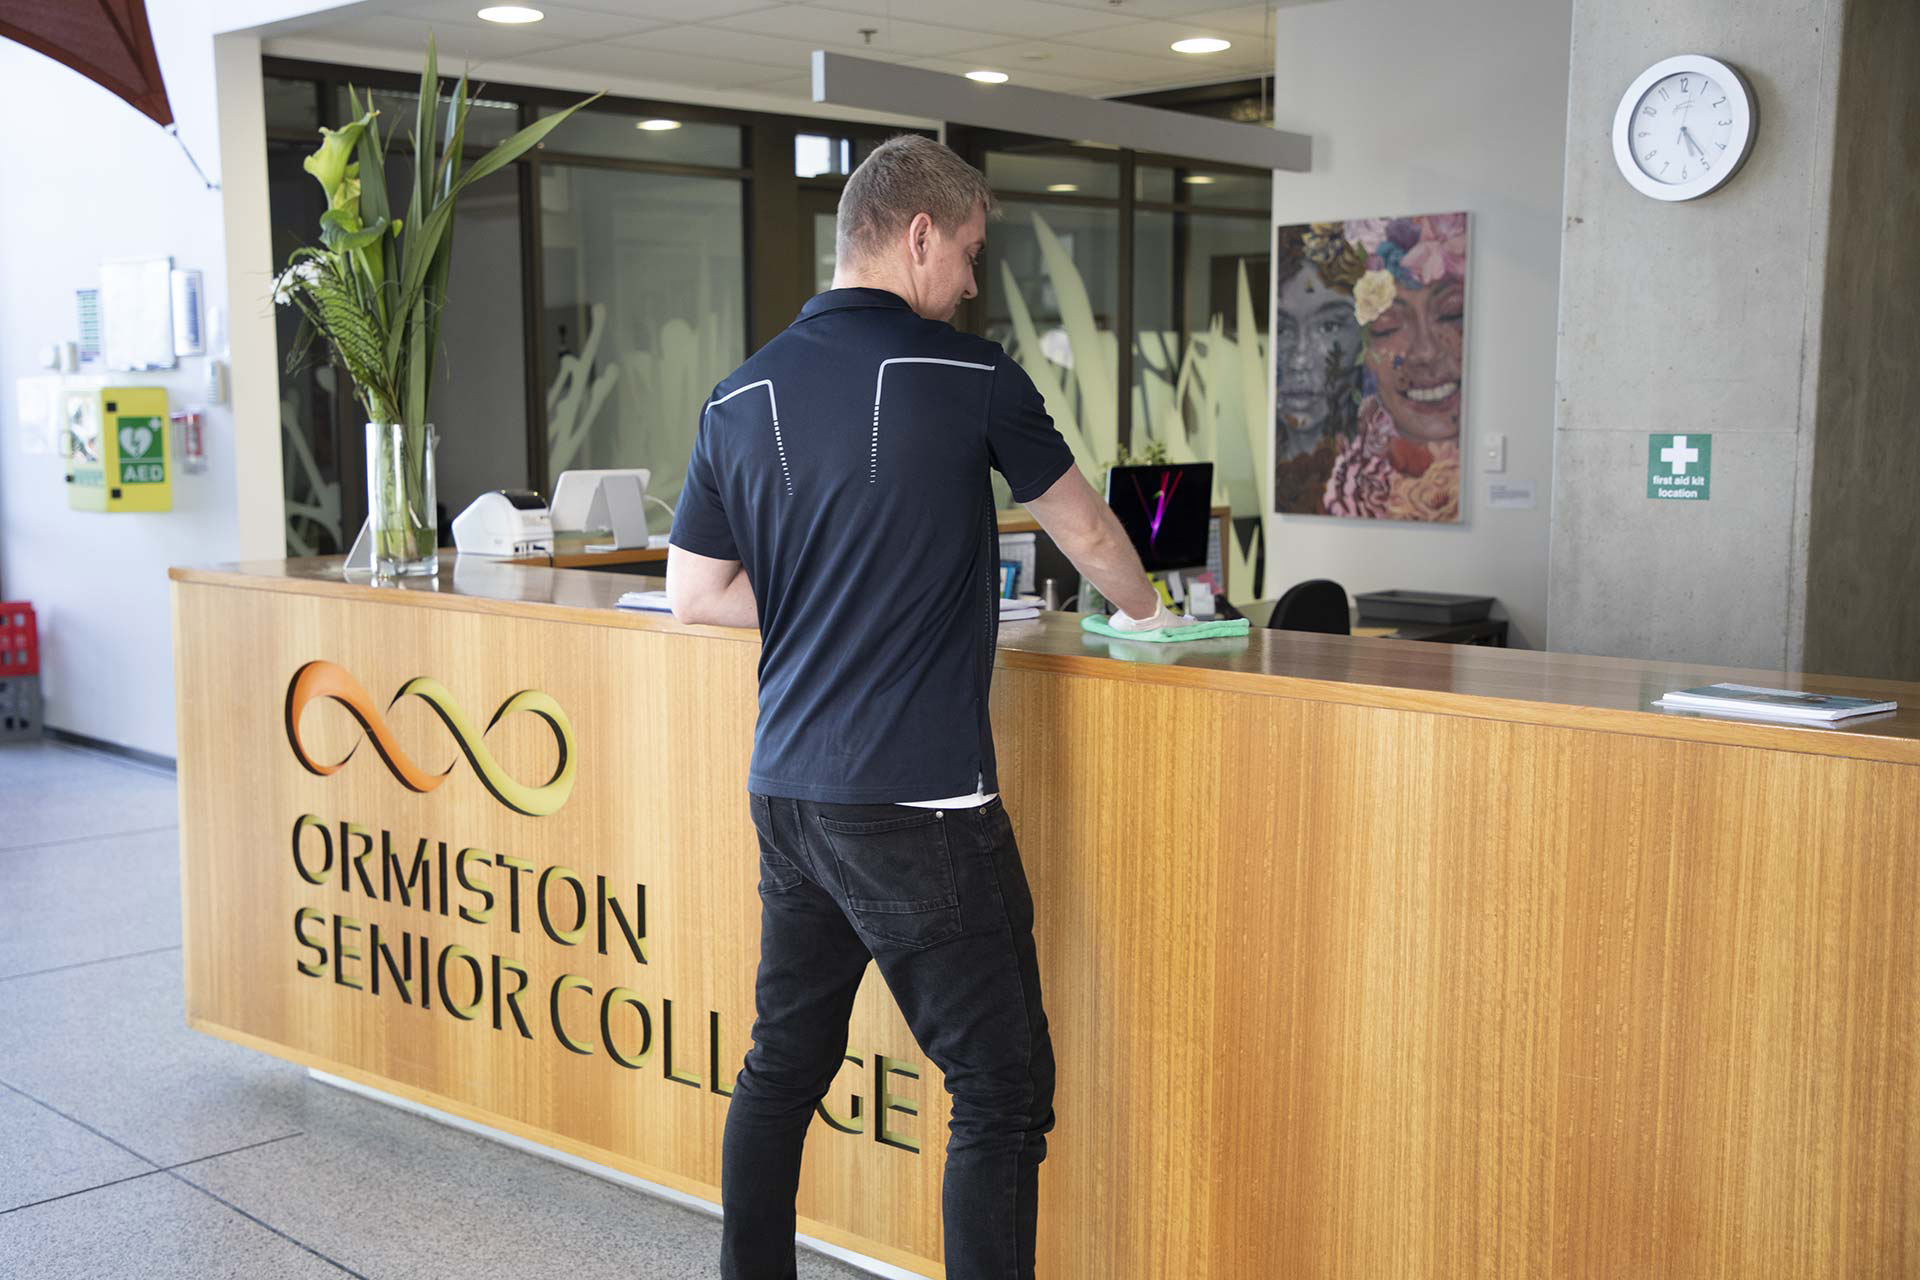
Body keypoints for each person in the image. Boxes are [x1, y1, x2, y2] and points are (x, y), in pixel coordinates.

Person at [665, 135, 1194, 1279]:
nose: (966, 281)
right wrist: (1154, 616)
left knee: (780, 1067)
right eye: (964, 253)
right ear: (915, 236)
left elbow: (696, 597)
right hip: (920, 800)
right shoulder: (970, 376)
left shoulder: (738, 390)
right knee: (1001, 1089)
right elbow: (1091, 532)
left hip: (790, 791)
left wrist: (825, 601)